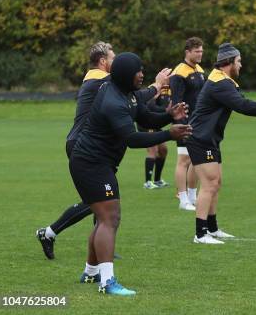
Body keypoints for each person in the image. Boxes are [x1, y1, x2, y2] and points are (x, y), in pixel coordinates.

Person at [70, 52, 191, 295]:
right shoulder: (113, 101)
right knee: (110, 218)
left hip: (97, 163)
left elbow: (144, 116)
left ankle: (91, 273)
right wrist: (170, 133)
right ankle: (107, 282)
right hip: (90, 163)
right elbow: (133, 139)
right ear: (126, 74)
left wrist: (168, 116)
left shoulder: (126, 93)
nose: (142, 74)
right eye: (139, 70)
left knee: (105, 217)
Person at [36, 42, 160, 260]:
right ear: (103, 61)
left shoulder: (100, 80)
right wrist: (156, 87)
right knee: (98, 202)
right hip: (83, 145)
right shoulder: (99, 80)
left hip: (91, 145)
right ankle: (49, 232)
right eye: (113, 58)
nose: (118, 62)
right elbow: (135, 96)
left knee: (101, 201)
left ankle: (102, 247)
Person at [187, 43, 256, 244]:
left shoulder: (224, 81)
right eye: (239, 61)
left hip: (209, 139)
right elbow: (243, 106)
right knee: (209, 185)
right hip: (200, 139)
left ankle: (212, 228)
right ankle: (200, 234)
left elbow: (242, 101)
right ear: (229, 62)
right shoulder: (220, 83)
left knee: (215, 183)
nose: (241, 65)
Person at [170, 37, 206, 211]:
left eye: (201, 51)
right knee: (183, 160)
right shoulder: (179, 73)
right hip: (185, 123)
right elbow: (176, 102)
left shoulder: (200, 70)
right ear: (187, 52)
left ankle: (192, 197)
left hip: (199, 123)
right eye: (196, 51)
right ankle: (183, 200)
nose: (200, 54)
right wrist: (182, 125)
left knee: (196, 160)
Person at [140, 92, 170, 189]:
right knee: (153, 150)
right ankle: (147, 182)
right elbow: (150, 107)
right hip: (145, 123)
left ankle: (157, 180)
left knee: (163, 150)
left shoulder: (168, 92)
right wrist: (166, 110)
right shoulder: (154, 89)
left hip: (155, 124)